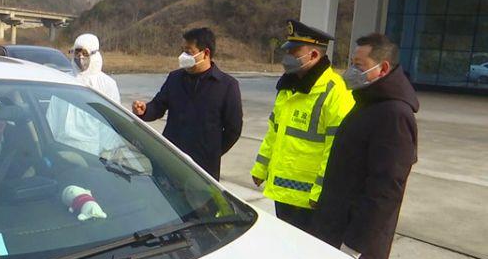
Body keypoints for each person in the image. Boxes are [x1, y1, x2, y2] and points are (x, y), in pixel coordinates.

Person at [313, 34, 418, 259]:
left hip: (355, 244)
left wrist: (354, 246)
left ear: (383, 68)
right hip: (335, 227)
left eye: (359, 65)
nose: (351, 71)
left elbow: (386, 189)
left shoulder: (394, 115)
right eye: (351, 63)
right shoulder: (368, 102)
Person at [250, 20, 354, 233]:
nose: (287, 57)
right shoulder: (287, 87)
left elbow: (336, 150)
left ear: (314, 55)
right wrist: (260, 168)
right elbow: (274, 132)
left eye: (294, 52)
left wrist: (320, 192)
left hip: (310, 200)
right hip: (283, 193)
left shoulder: (335, 92)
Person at [132, 27, 242, 180]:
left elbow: (233, 129)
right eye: (183, 51)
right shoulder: (175, 78)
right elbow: (158, 105)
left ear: (206, 53)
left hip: (203, 170)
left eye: (189, 52)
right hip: (170, 161)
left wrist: (212, 152)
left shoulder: (226, 86)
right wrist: (144, 110)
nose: (183, 56)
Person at [46, 33, 122, 155]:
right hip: (62, 147)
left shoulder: (107, 84)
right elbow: (53, 116)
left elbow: (112, 122)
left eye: (85, 53)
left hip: (93, 151)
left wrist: (106, 152)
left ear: (94, 55)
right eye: (77, 53)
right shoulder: (64, 80)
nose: (80, 57)